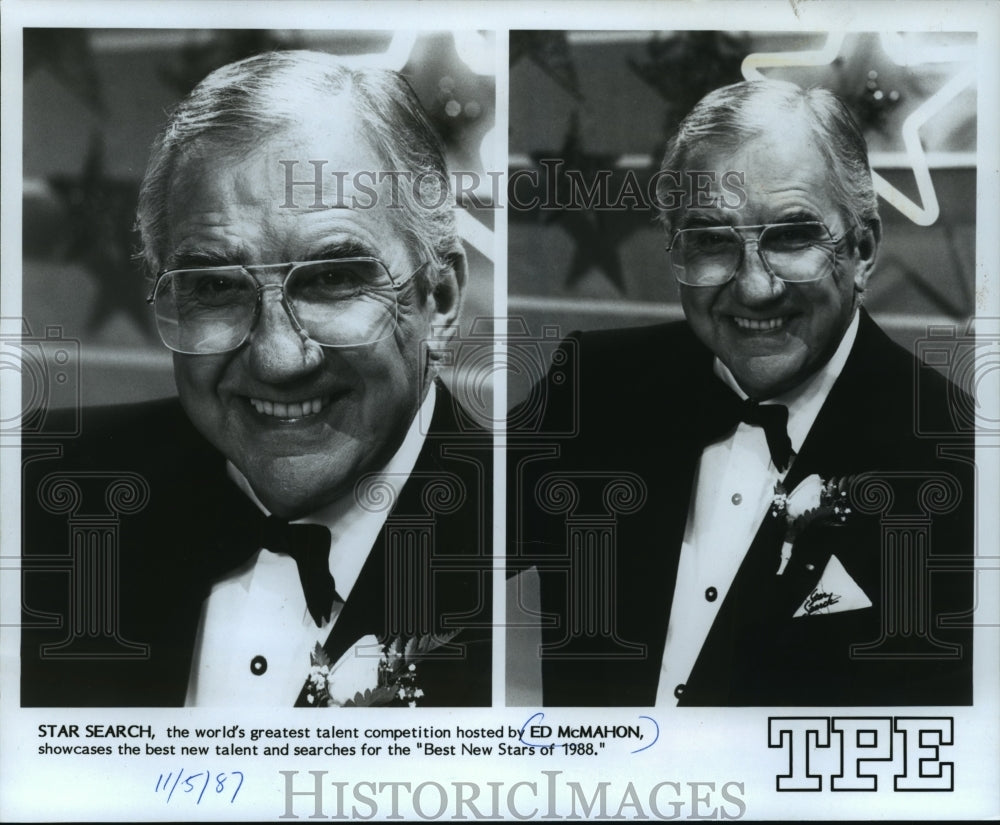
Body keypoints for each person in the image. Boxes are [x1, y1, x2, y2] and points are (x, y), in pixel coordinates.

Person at [21, 50, 491, 707]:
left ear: (438, 299)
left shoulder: (545, 544)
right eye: (215, 286)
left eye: (332, 278)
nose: (278, 359)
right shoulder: (43, 494)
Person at [512, 79, 974, 707]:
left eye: (790, 237)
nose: (755, 288)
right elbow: (422, 544)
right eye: (711, 240)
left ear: (863, 248)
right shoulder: (593, 386)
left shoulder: (961, 455)